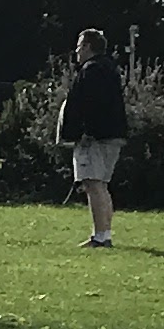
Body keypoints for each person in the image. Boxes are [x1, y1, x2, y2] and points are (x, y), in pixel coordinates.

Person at [57, 25, 127, 247]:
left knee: (92, 184)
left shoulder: (91, 70)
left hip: (95, 138)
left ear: (88, 47)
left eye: (79, 46)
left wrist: (81, 131)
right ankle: (105, 233)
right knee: (102, 185)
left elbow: (87, 105)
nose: (77, 51)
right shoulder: (110, 69)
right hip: (113, 134)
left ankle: (100, 236)